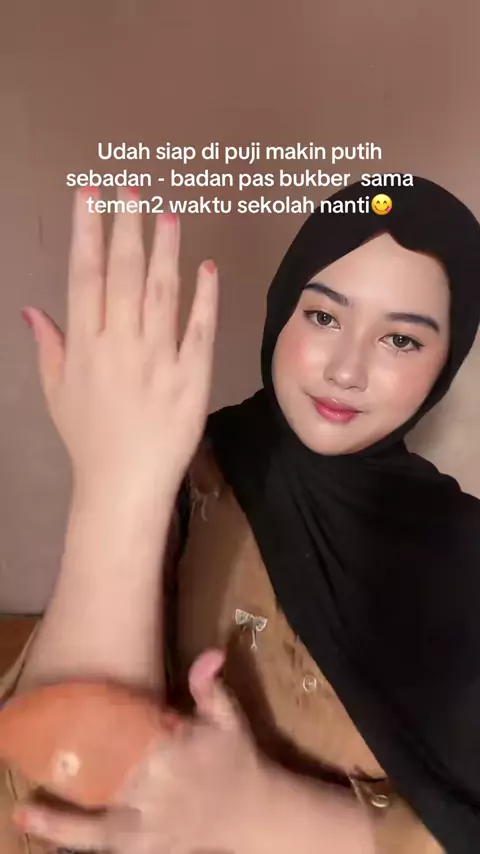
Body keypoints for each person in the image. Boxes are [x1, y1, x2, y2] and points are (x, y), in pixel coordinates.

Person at [2, 176, 480, 853]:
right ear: (283, 310)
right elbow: (37, 807)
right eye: (324, 316)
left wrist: (264, 815)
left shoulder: (463, 552)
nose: (346, 370)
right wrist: (116, 486)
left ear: (446, 361)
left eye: (401, 340)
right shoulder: (189, 464)